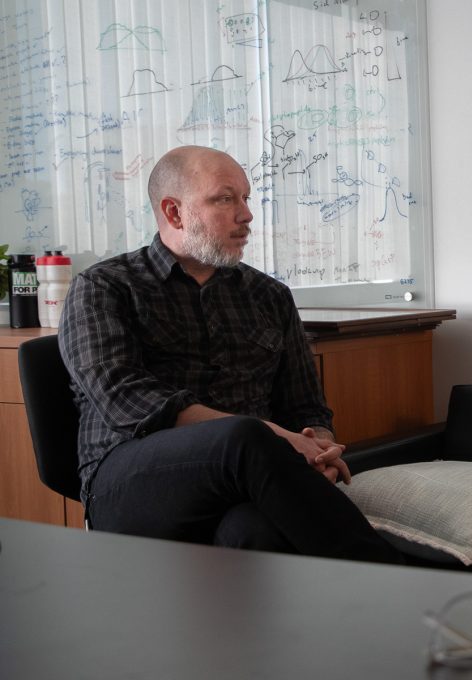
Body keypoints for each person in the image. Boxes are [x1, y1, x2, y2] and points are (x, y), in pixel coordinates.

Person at [58, 145, 403, 564]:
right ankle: (395, 586)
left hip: (249, 475)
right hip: (128, 482)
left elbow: (306, 407)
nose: (246, 215)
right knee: (244, 436)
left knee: (251, 532)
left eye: (245, 198)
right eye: (225, 199)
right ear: (174, 212)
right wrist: (276, 439)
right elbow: (126, 400)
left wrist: (322, 449)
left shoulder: (269, 295)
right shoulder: (103, 288)